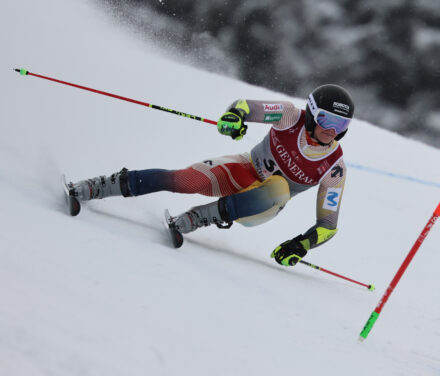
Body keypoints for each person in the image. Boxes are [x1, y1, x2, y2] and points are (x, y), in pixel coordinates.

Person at [65, 84, 354, 267]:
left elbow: (328, 225)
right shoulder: (290, 116)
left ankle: (199, 217)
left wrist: (300, 245)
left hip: (263, 204)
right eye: (327, 119)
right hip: (244, 168)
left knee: (279, 188)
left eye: (341, 124)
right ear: (313, 113)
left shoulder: (334, 166)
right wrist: (233, 118)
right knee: (185, 180)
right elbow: (246, 107)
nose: (332, 130)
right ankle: (98, 186)